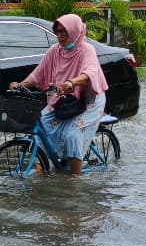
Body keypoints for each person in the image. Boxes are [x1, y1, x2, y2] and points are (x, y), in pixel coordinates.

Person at [8, 13, 109, 176]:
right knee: (41, 123)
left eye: (64, 32)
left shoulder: (86, 50)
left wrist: (71, 82)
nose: (60, 36)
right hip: (63, 99)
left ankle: (75, 180)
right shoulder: (54, 51)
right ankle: (43, 168)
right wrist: (21, 85)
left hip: (89, 101)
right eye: (58, 32)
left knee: (72, 134)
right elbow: (37, 74)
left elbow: (89, 73)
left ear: (74, 32)